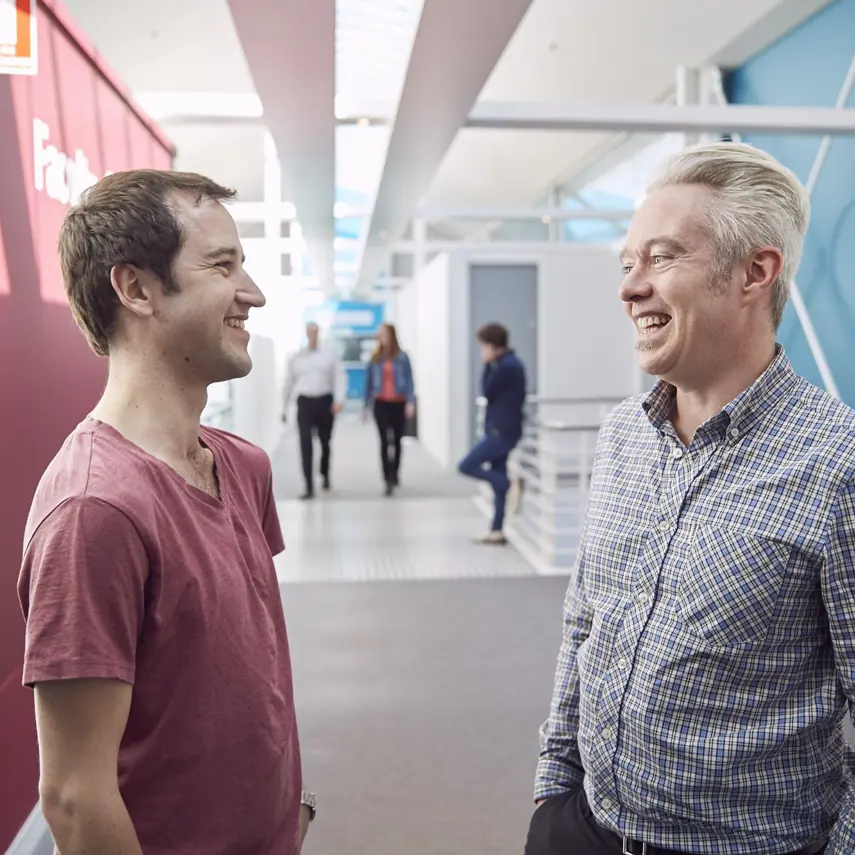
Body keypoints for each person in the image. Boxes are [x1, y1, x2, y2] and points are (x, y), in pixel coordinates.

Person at [526, 141, 854, 855]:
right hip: (580, 827)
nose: (629, 287)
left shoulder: (838, 464)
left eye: (663, 257)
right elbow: (584, 622)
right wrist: (552, 786)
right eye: (626, 263)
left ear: (753, 272)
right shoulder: (620, 436)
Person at [17, 170, 315, 855]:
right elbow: (74, 798)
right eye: (222, 266)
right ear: (136, 288)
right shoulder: (95, 511)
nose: (254, 293)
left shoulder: (243, 466)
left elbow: (244, 683)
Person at [457, 323, 526, 544]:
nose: (482, 352)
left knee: (466, 465)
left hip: (501, 431)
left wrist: (487, 366)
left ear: (494, 346)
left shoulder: (507, 366)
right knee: (496, 480)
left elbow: (486, 391)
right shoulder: (505, 363)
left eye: (484, 347)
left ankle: (507, 483)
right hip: (501, 428)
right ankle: (497, 529)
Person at [282, 321, 346, 499]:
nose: (312, 335)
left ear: (318, 334)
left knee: (325, 442)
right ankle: (308, 485)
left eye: (315, 332)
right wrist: (284, 408)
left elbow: (339, 376)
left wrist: (339, 399)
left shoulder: (329, 355)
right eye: (309, 332)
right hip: (305, 403)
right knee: (305, 444)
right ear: (306, 334)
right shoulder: (296, 357)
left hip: (325, 401)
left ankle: (325, 475)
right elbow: (288, 383)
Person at [362, 322, 415, 496]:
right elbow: (368, 383)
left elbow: (409, 381)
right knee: (384, 440)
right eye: (380, 335)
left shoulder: (402, 357)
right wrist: (365, 405)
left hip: (398, 402)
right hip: (381, 403)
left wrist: (410, 401)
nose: (381, 337)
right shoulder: (375, 357)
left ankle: (395, 472)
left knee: (397, 440)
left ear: (391, 335)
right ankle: (387, 479)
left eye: (384, 334)